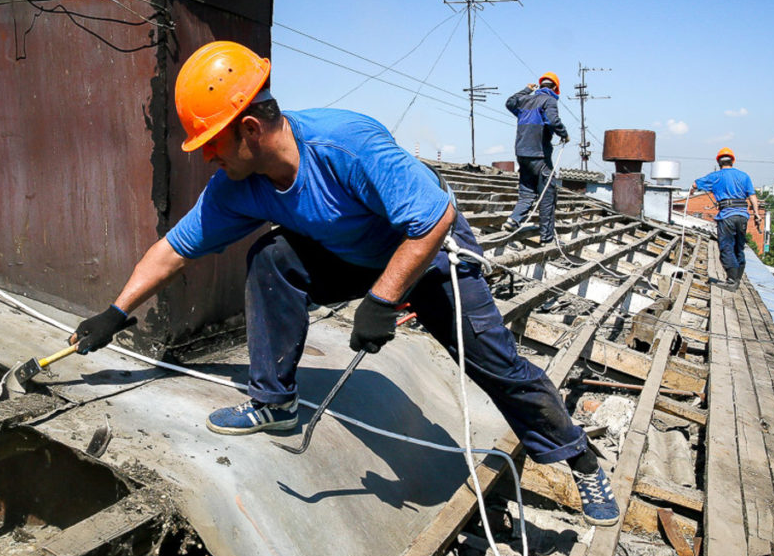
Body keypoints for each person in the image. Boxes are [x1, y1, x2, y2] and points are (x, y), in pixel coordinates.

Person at [69, 41, 618, 526]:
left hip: (429, 253)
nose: (208, 157)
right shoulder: (236, 187)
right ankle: (274, 403)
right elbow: (173, 250)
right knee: (273, 255)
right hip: (354, 257)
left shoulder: (345, 142)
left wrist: (382, 300)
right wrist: (116, 313)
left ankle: (579, 458)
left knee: (496, 365)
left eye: (213, 143)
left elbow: (431, 221)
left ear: (251, 130)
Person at [502, 72, 569, 244]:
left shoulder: (526, 100)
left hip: (522, 154)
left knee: (527, 192)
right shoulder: (549, 100)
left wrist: (525, 90)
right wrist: (564, 134)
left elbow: (509, 102)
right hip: (539, 155)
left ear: (540, 86)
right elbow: (553, 122)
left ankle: (514, 220)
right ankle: (547, 238)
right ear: (555, 88)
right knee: (547, 195)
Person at [691, 147, 761, 290]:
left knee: (726, 247)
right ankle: (737, 280)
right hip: (742, 216)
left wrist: (693, 189)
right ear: (732, 161)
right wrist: (757, 214)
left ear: (719, 162)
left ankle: (731, 282)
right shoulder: (744, 176)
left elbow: (695, 184)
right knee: (739, 247)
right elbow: (753, 196)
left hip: (726, 216)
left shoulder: (715, 176)